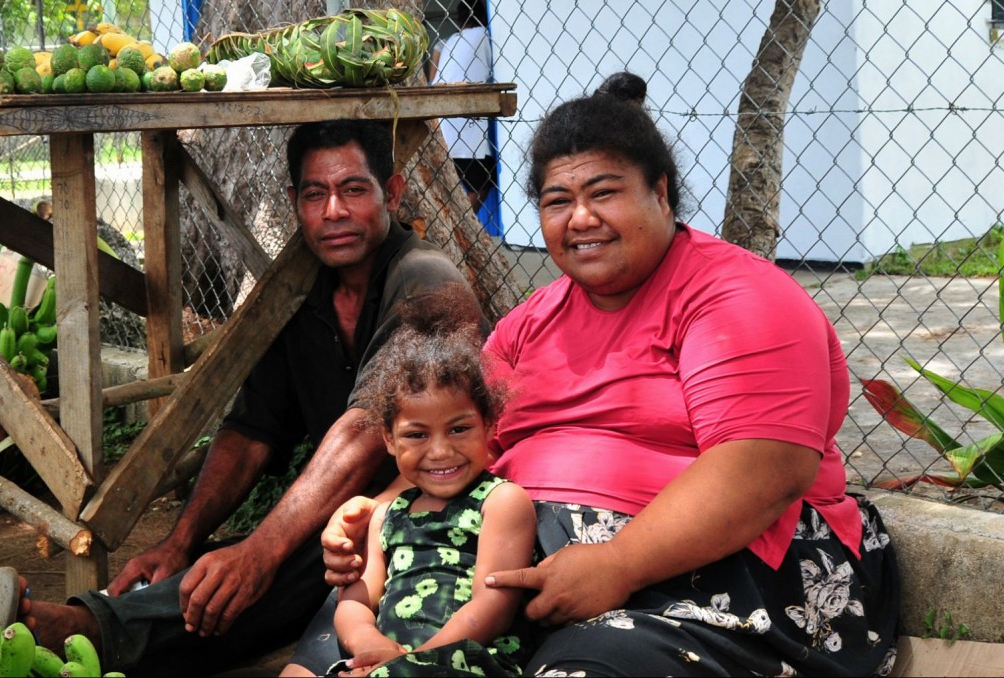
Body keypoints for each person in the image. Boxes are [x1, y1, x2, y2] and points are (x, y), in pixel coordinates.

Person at [311, 72, 902, 676]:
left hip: (713, 577)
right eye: (557, 201)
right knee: (330, 653)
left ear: (661, 194)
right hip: (515, 565)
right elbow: (454, 437)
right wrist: (379, 511)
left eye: (604, 193)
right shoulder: (527, 323)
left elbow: (764, 467)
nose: (581, 218)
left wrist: (618, 563)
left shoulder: (738, 298)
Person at [0, 119, 483, 675]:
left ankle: (89, 631)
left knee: (286, 556)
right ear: (294, 202)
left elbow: (366, 429)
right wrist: (182, 541)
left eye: (355, 190)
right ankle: (99, 631)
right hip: (344, 517)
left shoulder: (426, 280)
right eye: (315, 195)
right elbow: (253, 429)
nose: (333, 211)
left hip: (436, 506)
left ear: (392, 192)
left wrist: (259, 552)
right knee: (233, 569)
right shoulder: (302, 290)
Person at [320, 285, 534, 677]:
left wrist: (411, 662)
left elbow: (493, 608)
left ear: (488, 425)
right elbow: (354, 599)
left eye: (459, 429)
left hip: (467, 662)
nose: (439, 451)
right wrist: (369, 644)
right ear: (388, 439)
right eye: (417, 435)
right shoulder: (388, 515)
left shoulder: (501, 502)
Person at [431, 0, 496, 214]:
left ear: (459, 20)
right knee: (483, 184)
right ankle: (463, 223)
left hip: (446, 125)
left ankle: (457, 223)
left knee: (461, 181)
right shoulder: (484, 36)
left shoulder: (452, 40)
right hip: (468, 130)